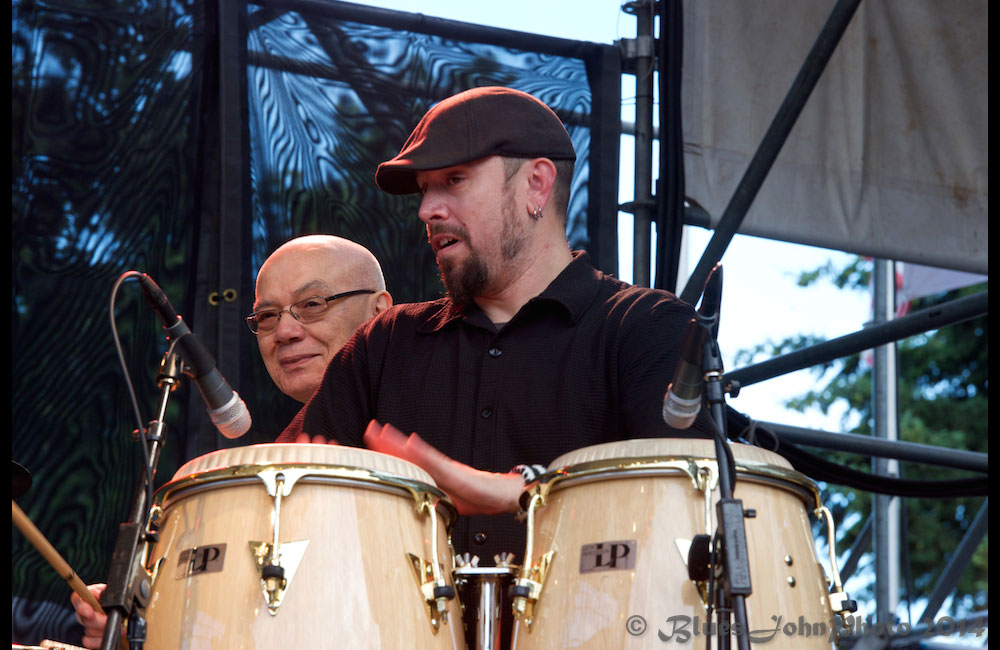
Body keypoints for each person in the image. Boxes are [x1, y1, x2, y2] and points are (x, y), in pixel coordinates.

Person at [278, 86, 714, 564]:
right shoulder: (385, 344)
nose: (427, 210)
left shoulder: (644, 326)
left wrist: (518, 493)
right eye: (425, 189)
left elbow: (688, 507)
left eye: (454, 180)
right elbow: (279, 498)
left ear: (536, 185)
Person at [70, 234, 392, 648]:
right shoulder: (269, 470)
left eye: (313, 304)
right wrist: (139, 625)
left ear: (380, 311)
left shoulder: (426, 398)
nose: (284, 331)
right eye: (267, 316)